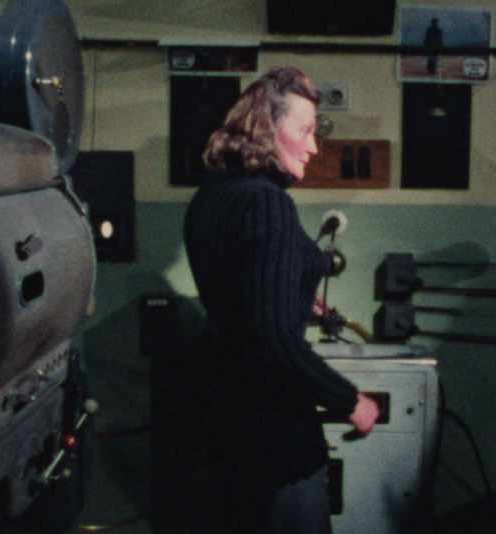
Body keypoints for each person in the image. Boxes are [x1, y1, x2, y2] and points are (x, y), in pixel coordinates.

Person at [176, 66, 379, 534]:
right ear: (268, 130)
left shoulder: (211, 194)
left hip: (222, 420)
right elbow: (274, 346)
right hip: (272, 434)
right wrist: (351, 401)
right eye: (305, 131)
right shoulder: (268, 203)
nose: (314, 146)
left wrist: (294, 298)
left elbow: (236, 293)